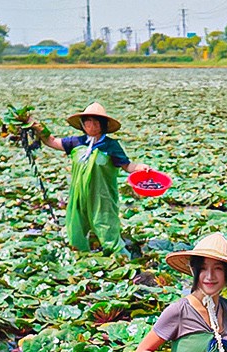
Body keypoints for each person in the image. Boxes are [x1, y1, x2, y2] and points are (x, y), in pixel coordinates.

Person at [35, 102, 148, 254]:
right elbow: (52, 142)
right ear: (83, 124)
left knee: (107, 228)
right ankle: (80, 256)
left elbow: (126, 165)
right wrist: (36, 128)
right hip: (78, 195)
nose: (92, 125)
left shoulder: (110, 145)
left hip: (101, 195)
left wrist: (140, 167)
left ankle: (121, 259)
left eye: (96, 122)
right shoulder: (76, 142)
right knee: (77, 228)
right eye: (88, 121)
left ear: (103, 125)